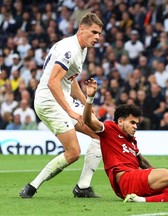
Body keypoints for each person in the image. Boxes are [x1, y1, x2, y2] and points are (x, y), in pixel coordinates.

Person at [19, 12, 104, 198]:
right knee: (73, 152)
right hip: (48, 101)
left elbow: (69, 79)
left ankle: (83, 187)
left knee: (100, 135)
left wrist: (85, 102)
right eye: (94, 32)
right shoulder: (70, 49)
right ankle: (31, 187)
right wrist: (70, 111)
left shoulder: (82, 48)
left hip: (62, 97)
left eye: (99, 33)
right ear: (82, 29)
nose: (98, 37)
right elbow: (52, 82)